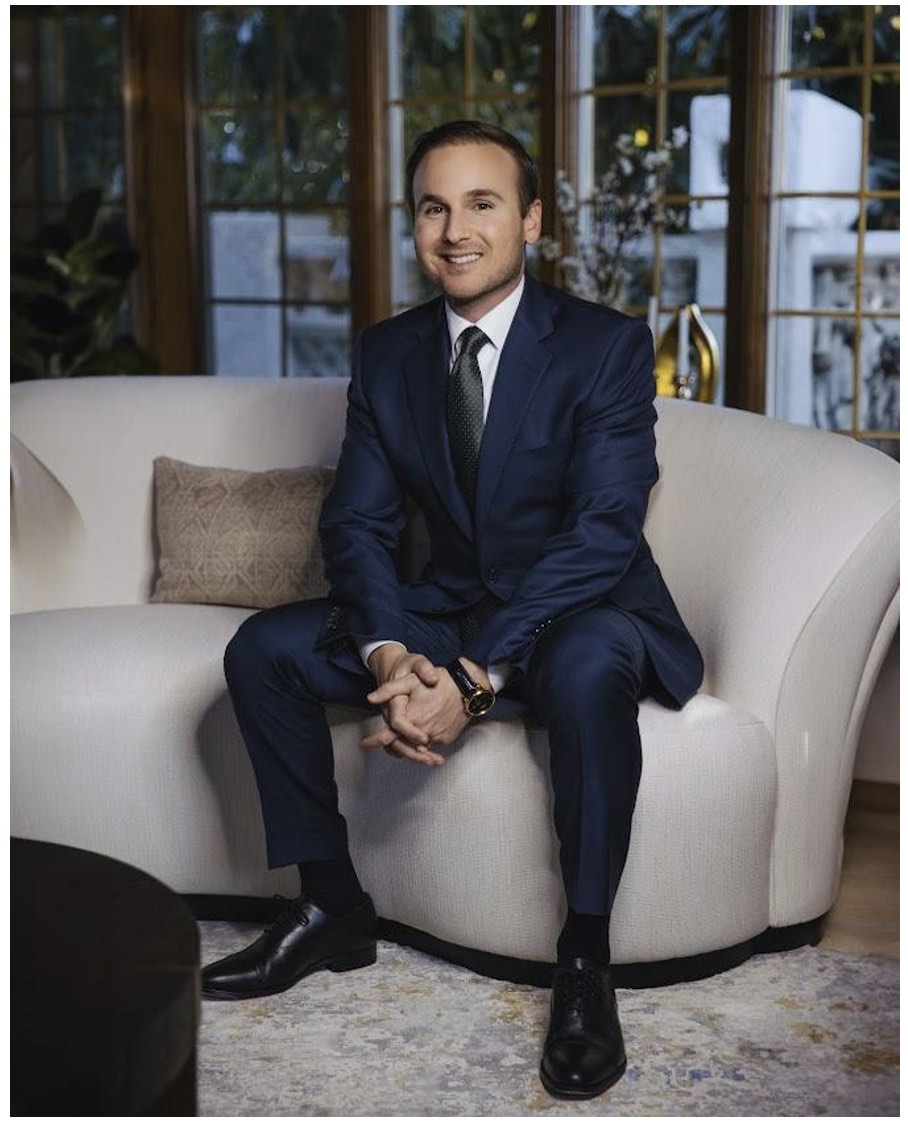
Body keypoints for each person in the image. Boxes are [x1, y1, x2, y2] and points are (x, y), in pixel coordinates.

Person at [201, 119, 704, 1101]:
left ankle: (583, 958)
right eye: (434, 207)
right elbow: (357, 524)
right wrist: (390, 654)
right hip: (448, 610)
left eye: (482, 204)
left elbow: (601, 532)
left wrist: (472, 679)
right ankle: (332, 908)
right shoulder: (389, 352)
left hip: (579, 610)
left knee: (589, 665)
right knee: (265, 649)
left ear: (531, 219)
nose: (455, 230)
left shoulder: (603, 345)